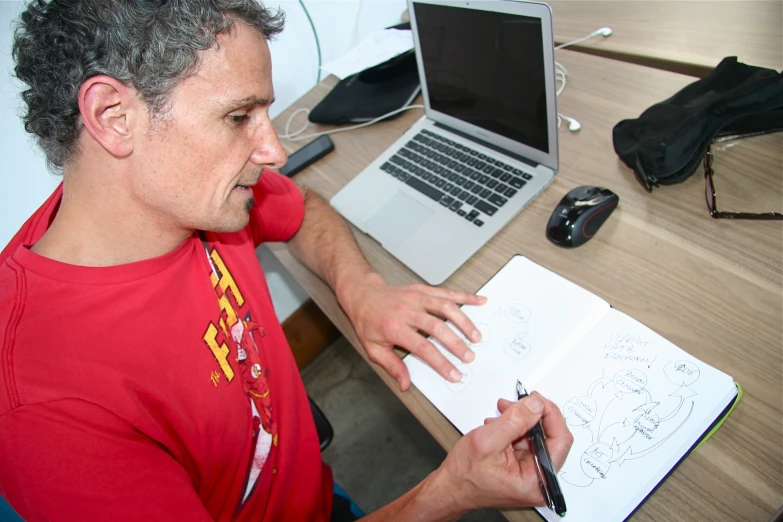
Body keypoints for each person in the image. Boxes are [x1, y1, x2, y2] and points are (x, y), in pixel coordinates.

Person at [0, 1, 573, 521]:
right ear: (113, 116)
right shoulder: (50, 414)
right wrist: (451, 492)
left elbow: (304, 210)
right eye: (237, 117)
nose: (273, 150)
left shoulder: (195, 195)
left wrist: (362, 289)